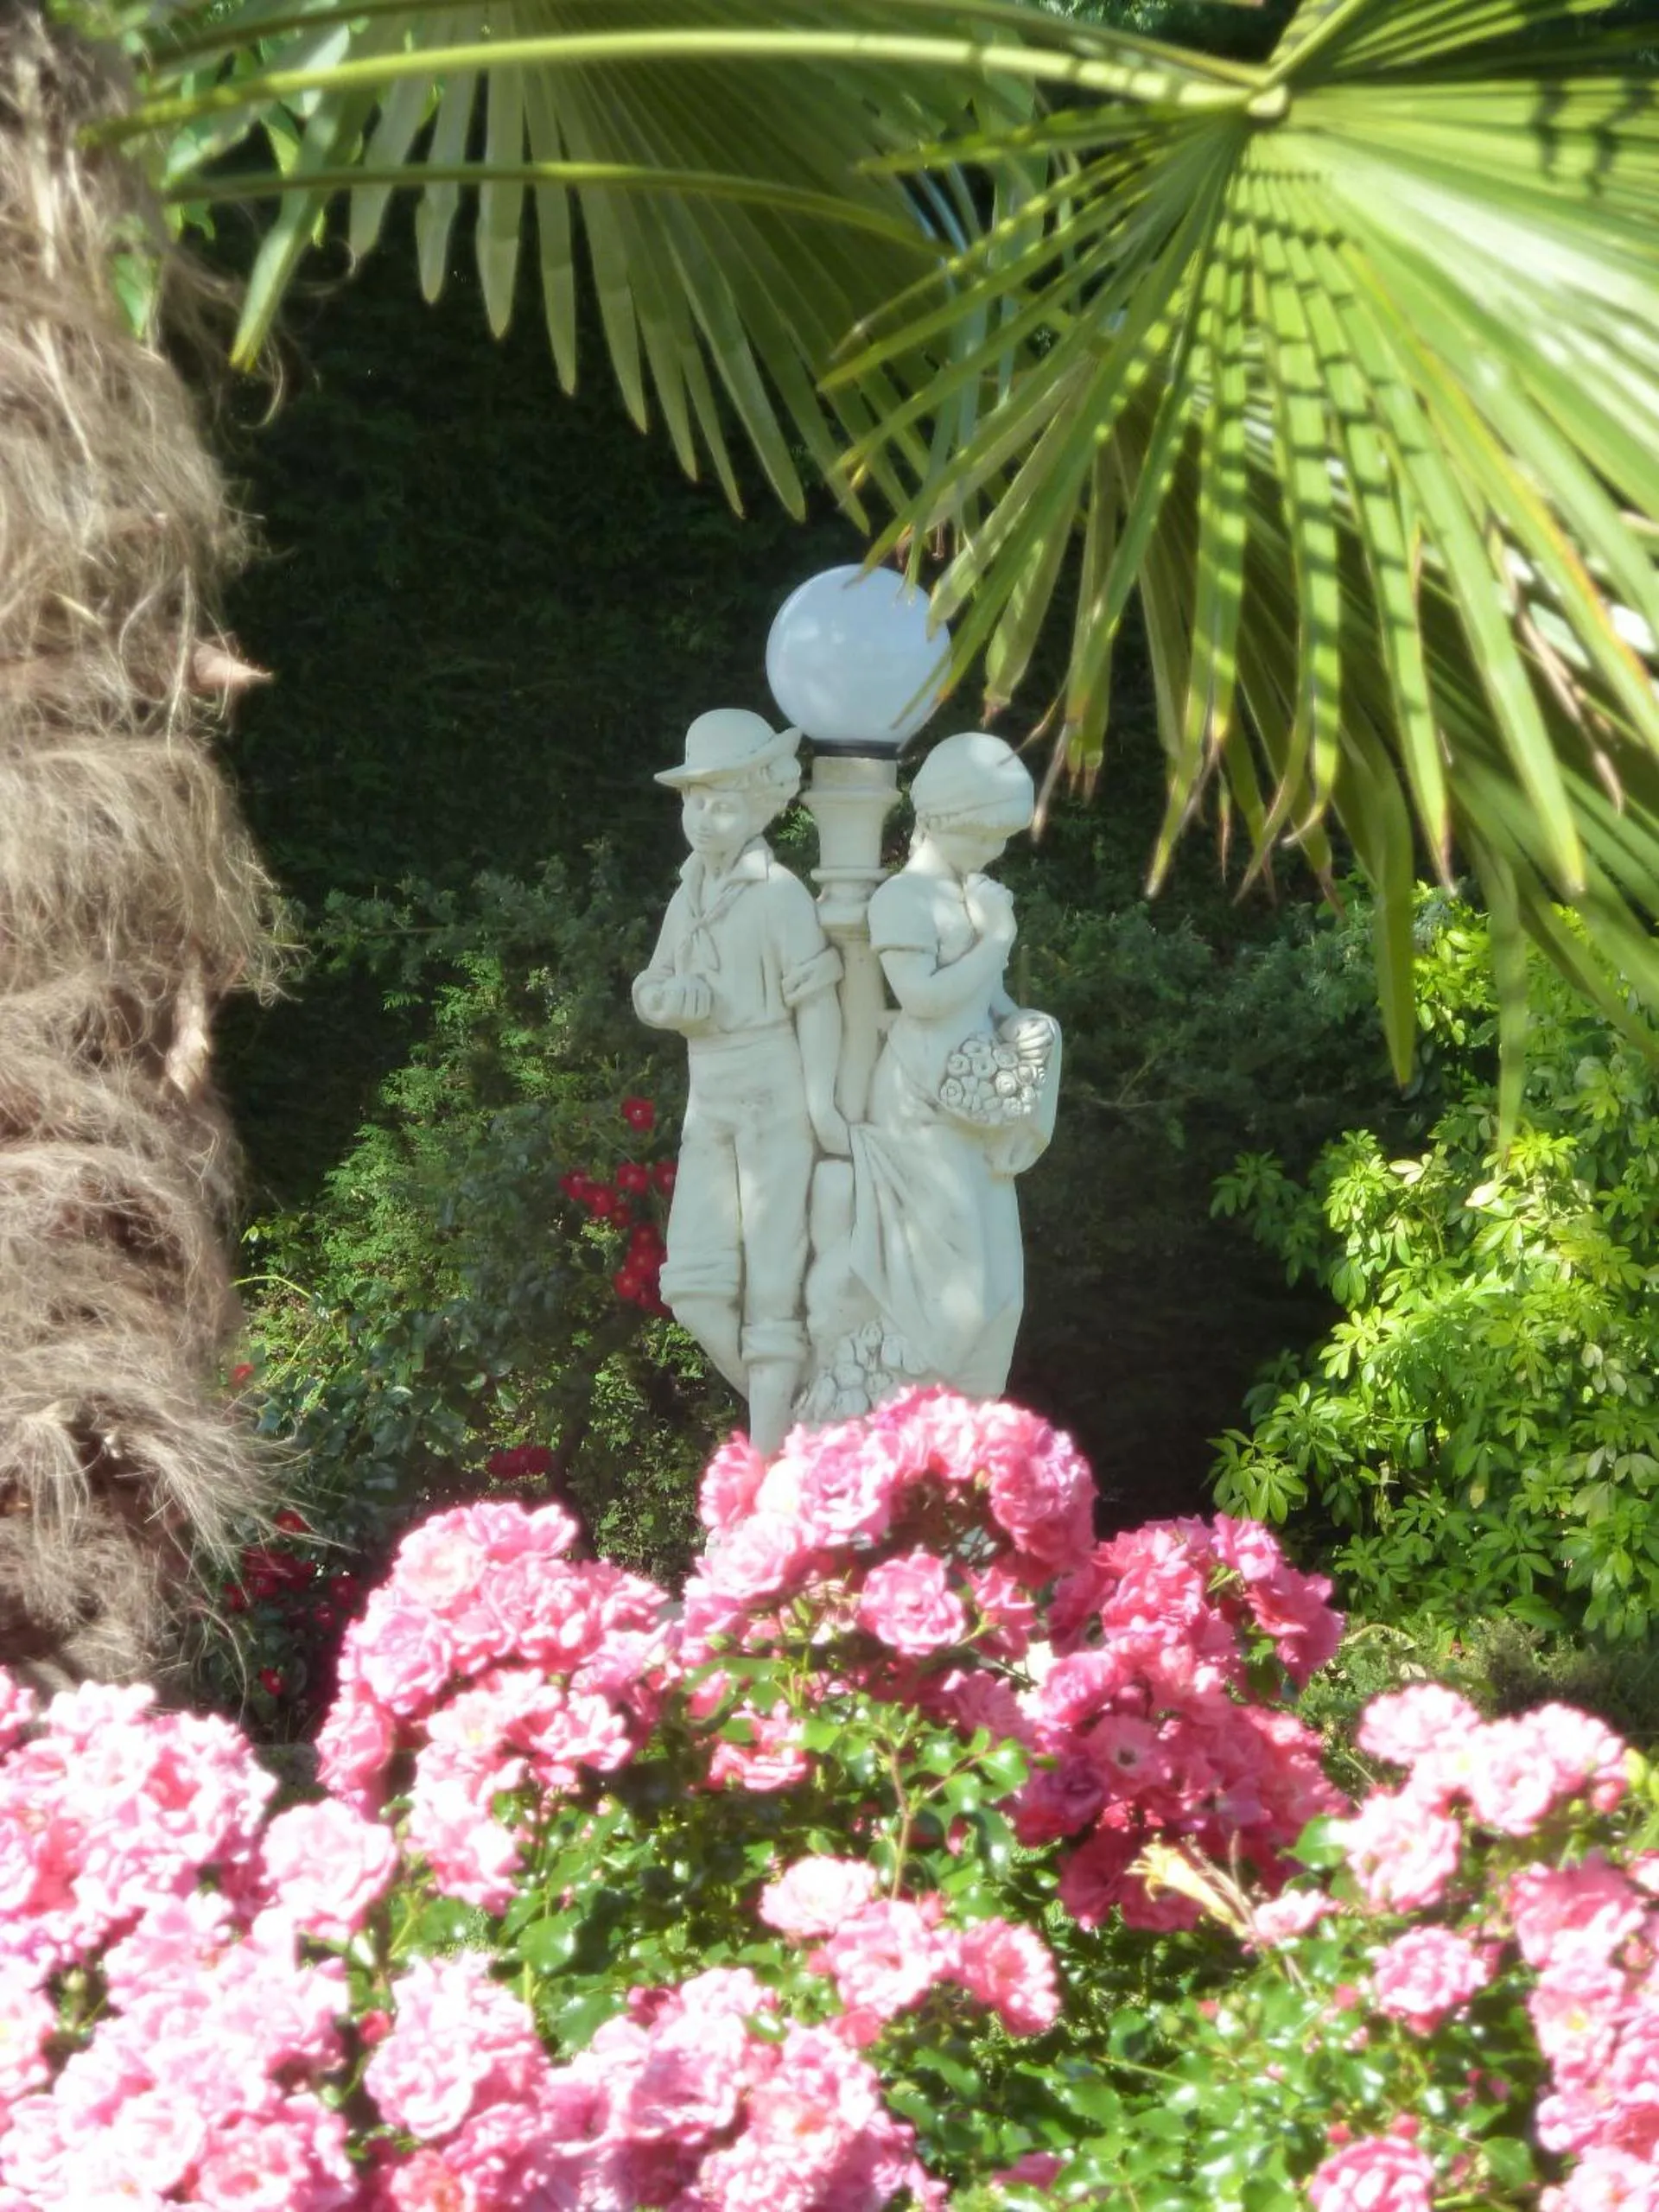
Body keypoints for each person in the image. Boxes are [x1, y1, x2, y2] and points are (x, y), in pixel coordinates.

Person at [817, 732, 1059, 1410]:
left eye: (1002, 837)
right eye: (985, 835)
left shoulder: (972, 896)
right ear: (944, 817)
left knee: (1002, 1293)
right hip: (921, 1101)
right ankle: (885, 1416)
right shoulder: (904, 900)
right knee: (955, 1295)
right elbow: (921, 999)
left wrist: (1030, 1033)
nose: (996, 851)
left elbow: (991, 1001)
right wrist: (997, 938)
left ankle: (966, 1439)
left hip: (976, 1096)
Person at [633, 709, 846, 1452]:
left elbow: (816, 999)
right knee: (692, 1286)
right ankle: (807, 1416)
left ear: (760, 806)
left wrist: (821, 1103)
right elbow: (652, 982)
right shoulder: (688, 891)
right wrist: (666, 1001)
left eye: (721, 804)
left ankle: (772, 1460)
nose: (702, 818)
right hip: (710, 1096)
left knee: (773, 1287)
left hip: (771, 1091)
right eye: (694, 801)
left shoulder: (779, 893)